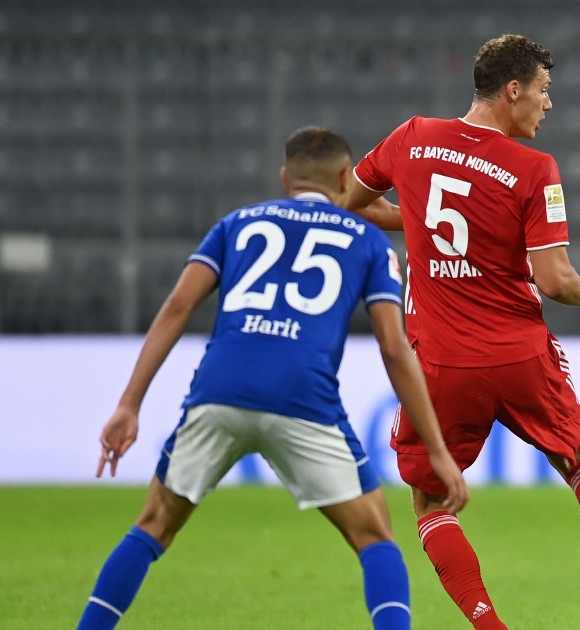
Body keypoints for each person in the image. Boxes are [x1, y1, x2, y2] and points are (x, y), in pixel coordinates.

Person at [342, 34, 580, 630]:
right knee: (578, 460)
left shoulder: (412, 137)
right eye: (544, 91)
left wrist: (414, 220)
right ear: (513, 89)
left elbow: (348, 202)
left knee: (431, 503)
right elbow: (554, 280)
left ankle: (489, 626)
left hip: (441, 364)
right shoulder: (533, 167)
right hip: (520, 355)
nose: (549, 104)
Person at [77, 126, 468, 630]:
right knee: (375, 540)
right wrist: (437, 449)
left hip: (220, 390)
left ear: (285, 177)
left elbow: (177, 307)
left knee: (152, 526)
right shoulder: (369, 243)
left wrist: (129, 403)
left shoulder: (236, 224)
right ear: (348, 179)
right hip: (303, 398)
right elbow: (394, 347)